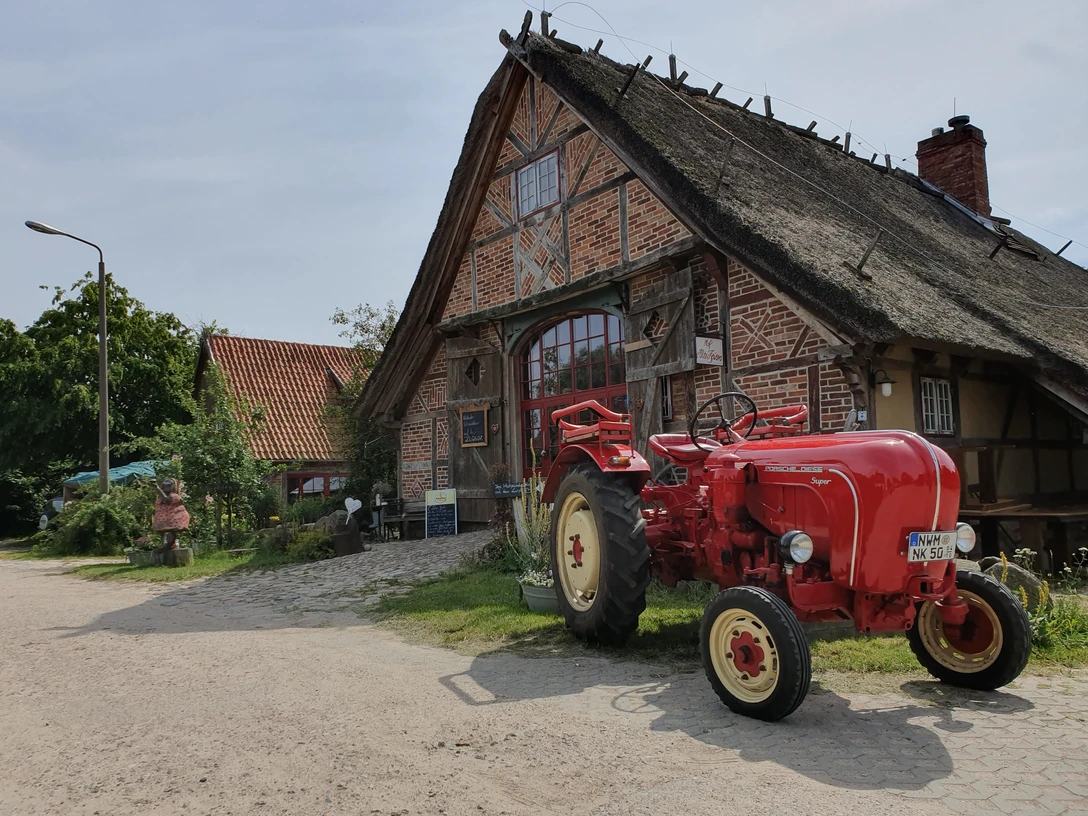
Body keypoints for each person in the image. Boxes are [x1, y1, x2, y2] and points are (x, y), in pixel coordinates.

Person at [151, 478, 190, 549]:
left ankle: (170, 544)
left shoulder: (174, 496)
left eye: (169, 486)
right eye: (165, 485)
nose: (166, 487)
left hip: (174, 517)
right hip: (165, 518)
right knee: (164, 531)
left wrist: (156, 487)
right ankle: (166, 545)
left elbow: (166, 499)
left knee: (171, 531)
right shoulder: (160, 497)